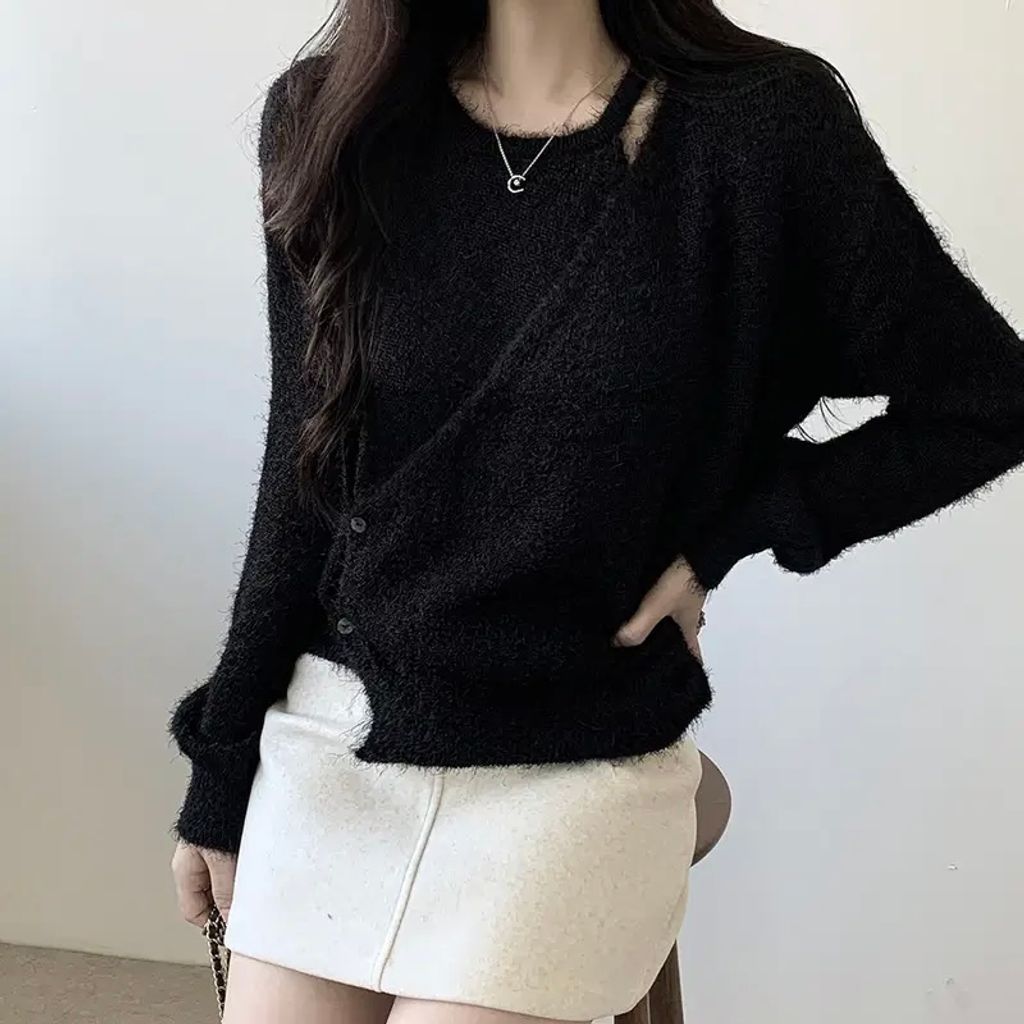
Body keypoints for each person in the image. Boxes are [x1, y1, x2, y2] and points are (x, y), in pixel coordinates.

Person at [168, 2, 1024, 1022]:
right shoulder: (333, 119)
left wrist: (731, 533)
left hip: (577, 754)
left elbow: (988, 398)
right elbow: (302, 472)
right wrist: (221, 774)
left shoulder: (757, 133)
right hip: (341, 738)